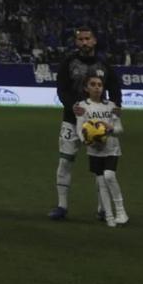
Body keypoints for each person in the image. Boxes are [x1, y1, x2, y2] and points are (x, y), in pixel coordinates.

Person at [48, 24, 119, 221]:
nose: (84, 42)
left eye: (88, 39)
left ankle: (103, 209)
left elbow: (115, 87)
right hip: (71, 121)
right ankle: (62, 206)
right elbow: (61, 89)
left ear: (94, 40)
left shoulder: (104, 63)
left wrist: (115, 110)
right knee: (65, 162)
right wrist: (72, 106)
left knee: (99, 166)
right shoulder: (68, 62)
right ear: (76, 41)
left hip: (99, 124)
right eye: (81, 39)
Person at [75, 73, 123, 227]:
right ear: (86, 88)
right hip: (94, 150)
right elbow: (79, 129)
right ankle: (109, 216)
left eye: (99, 85)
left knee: (109, 176)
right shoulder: (81, 107)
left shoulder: (112, 106)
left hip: (111, 148)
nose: (97, 87)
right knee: (101, 182)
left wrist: (111, 129)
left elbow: (120, 129)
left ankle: (120, 211)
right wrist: (86, 141)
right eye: (93, 84)